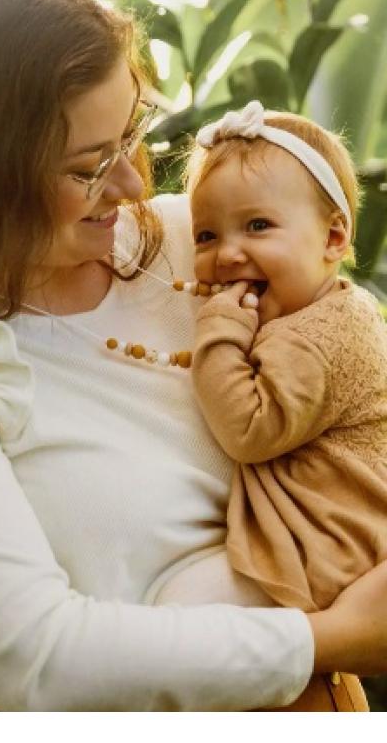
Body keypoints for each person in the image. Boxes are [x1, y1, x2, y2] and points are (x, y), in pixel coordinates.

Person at [0, 0, 387, 713]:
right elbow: (33, 660)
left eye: (132, 132)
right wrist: (332, 637)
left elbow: (360, 374)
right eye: (89, 168)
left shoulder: (205, 243)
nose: (131, 186)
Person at [155, 101, 387, 617]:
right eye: (207, 235)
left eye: (258, 225)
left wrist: (217, 332)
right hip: (324, 535)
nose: (229, 254)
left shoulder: (322, 333)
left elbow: (250, 430)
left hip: (335, 546)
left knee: (183, 608)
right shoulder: (315, 309)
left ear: (333, 237)